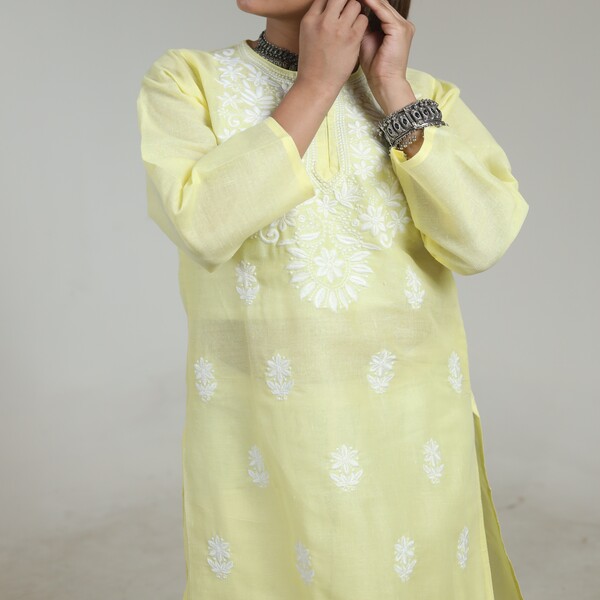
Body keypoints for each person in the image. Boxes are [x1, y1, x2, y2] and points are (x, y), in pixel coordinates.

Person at [135, 0, 529, 597]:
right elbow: (203, 225)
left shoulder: (424, 95)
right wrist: (316, 85)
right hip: (264, 419)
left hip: (412, 418)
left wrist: (391, 89)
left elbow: (482, 240)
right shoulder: (189, 80)